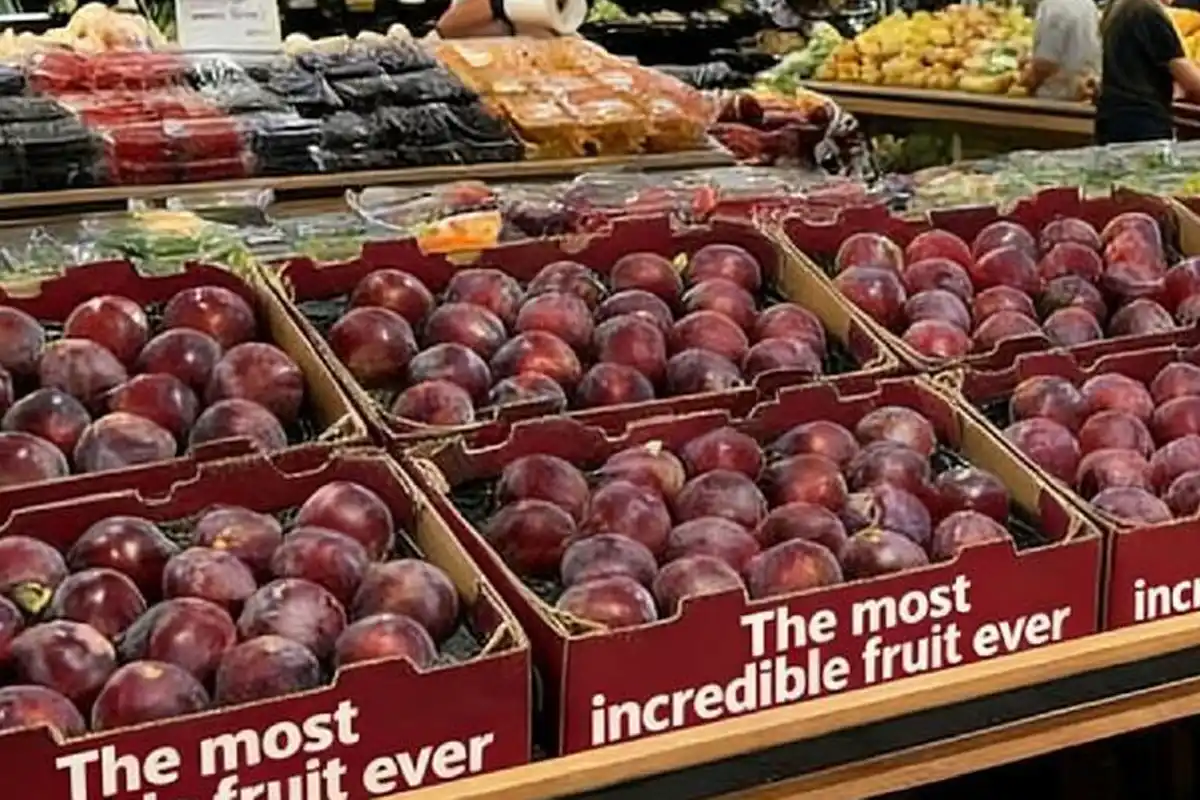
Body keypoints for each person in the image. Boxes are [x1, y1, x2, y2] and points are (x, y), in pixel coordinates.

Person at [1095, 0, 1200, 143]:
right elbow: (1189, 79)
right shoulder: (1147, 12)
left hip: (1111, 117)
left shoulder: (1115, 8)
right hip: (1143, 122)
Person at [1021, 0, 1101, 100]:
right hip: (1084, 92)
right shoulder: (1088, 4)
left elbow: (1045, 63)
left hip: (1056, 98)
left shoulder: (1053, 6)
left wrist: (1027, 80)